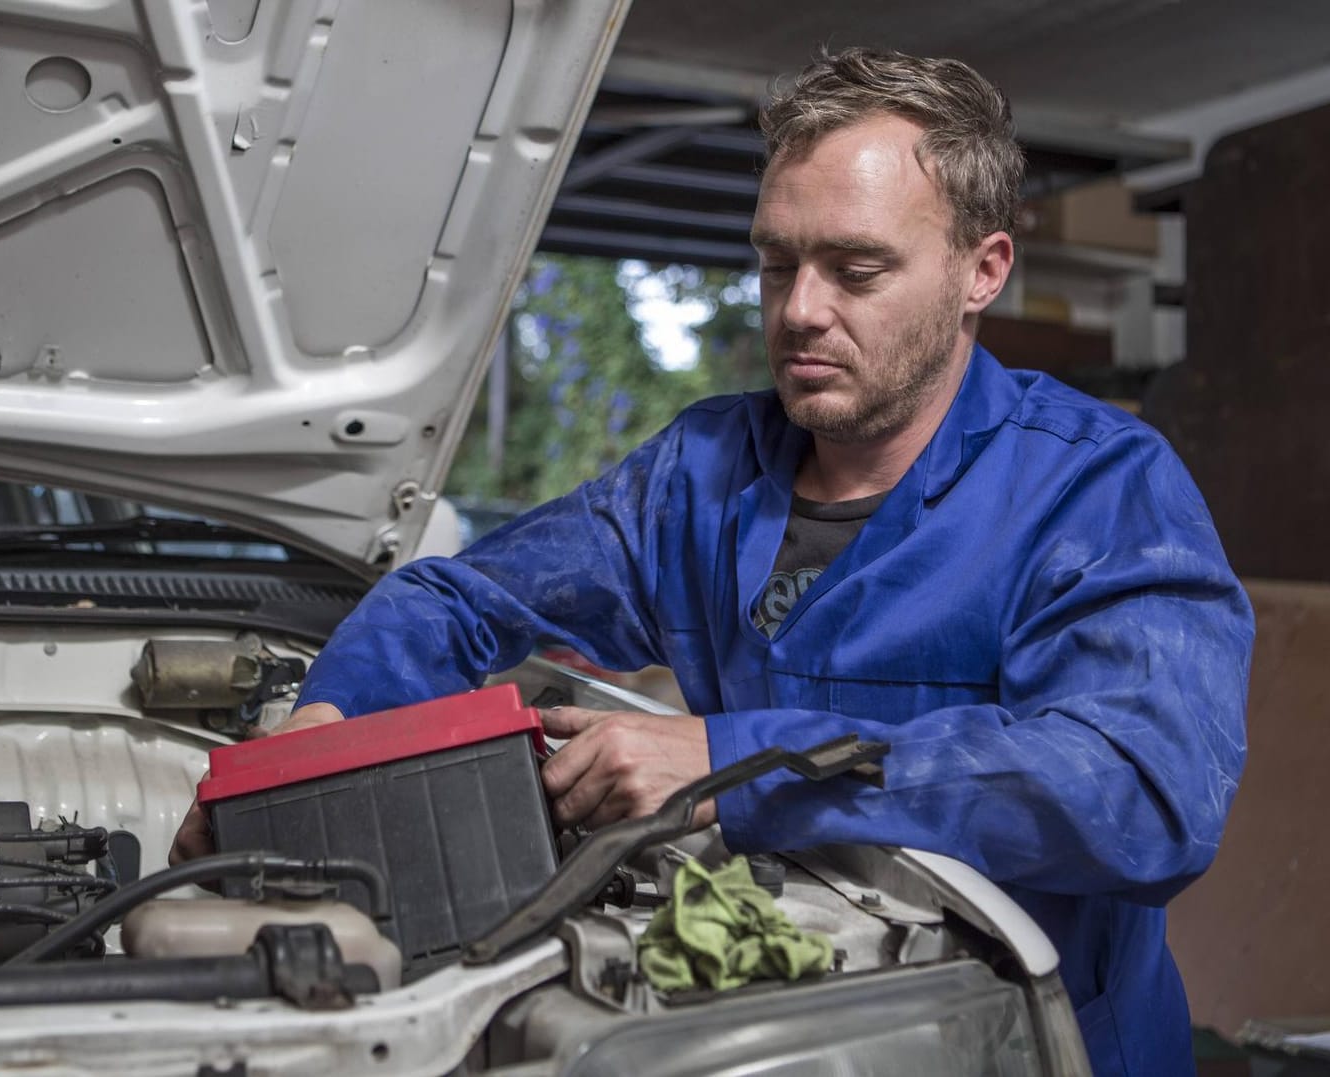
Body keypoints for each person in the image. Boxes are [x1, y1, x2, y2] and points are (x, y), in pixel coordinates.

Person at [174, 47, 1252, 1077]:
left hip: (1032, 1045)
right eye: (776, 263)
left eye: (856, 268)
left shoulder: (1098, 491)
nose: (799, 311)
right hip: (776, 1015)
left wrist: (735, 762)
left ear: (983, 271)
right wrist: (325, 731)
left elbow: (1141, 797)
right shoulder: (700, 473)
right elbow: (460, 598)